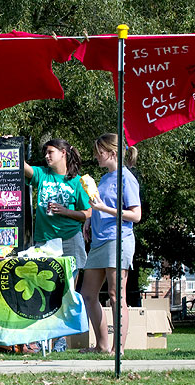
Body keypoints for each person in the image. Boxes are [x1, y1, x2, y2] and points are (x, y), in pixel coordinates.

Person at [24, 138, 92, 352]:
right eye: (45, 152)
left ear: (63, 153)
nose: (46, 156)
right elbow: (21, 166)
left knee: (66, 292)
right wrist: (10, 146)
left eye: (50, 152)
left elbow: (88, 213)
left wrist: (66, 212)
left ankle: (60, 340)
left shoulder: (77, 182)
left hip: (70, 241)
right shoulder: (43, 174)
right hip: (44, 241)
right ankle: (42, 340)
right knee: (44, 293)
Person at [80, 133, 141, 355]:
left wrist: (103, 210)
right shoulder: (105, 178)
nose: (96, 156)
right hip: (98, 242)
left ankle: (119, 349)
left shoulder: (127, 178)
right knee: (88, 294)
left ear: (112, 152)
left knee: (116, 295)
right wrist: (88, 220)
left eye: (99, 152)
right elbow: (96, 205)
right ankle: (102, 345)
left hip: (118, 240)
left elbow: (136, 216)